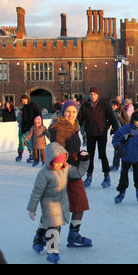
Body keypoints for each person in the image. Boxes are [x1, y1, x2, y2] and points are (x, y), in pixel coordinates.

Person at [27, 142, 89, 264]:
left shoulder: (64, 167)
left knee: (56, 226)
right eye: (56, 163)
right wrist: (32, 209)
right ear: (50, 161)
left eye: (61, 162)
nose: (59, 165)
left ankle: (40, 239)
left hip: (62, 203)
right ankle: (52, 251)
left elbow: (77, 173)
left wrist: (84, 160)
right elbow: (36, 192)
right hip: (49, 204)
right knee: (54, 227)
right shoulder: (44, 174)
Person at [49, 100, 93, 249]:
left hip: (73, 172)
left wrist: (79, 156)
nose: (71, 114)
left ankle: (74, 235)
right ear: (62, 112)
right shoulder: (58, 129)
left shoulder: (74, 127)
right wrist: (76, 156)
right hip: (59, 173)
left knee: (80, 204)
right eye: (68, 111)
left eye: (74, 112)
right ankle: (51, 245)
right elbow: (57, 154)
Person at [78, 87, 118, 188]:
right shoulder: (84, 106)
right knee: (90, 156)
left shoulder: (104, 106)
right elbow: (79, 120)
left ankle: (106, 175)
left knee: (102, 155)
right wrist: (74, 129)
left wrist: (115, 130)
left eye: (94, 94)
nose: (93, 96)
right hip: (90, 134)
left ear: (98, 95)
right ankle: (89, 176)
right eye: (91, 94)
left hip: (101, 134)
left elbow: (112, 118)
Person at [18, 95, 42, 163]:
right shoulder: (24, 107)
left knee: (37, 142)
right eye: (22, 101)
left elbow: (38, 114)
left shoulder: (33, 105)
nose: (23, 102)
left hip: (35, 126)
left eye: (24, 100)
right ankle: (32, 155)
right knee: (30, 142)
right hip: (28, 127)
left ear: (27, 99)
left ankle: (38, 156)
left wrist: (40, 124)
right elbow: (23, 119)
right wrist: (23, 128)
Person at [109, 99, 130, 171]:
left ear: (117, 106)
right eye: (111, 105)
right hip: (117, 133)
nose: (112, 107)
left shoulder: (122, 111)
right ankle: (115, 165)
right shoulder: (112, 112)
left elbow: (126, 123)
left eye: (114, 105)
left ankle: (130, 165)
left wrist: (119, 117)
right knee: (116, 149)